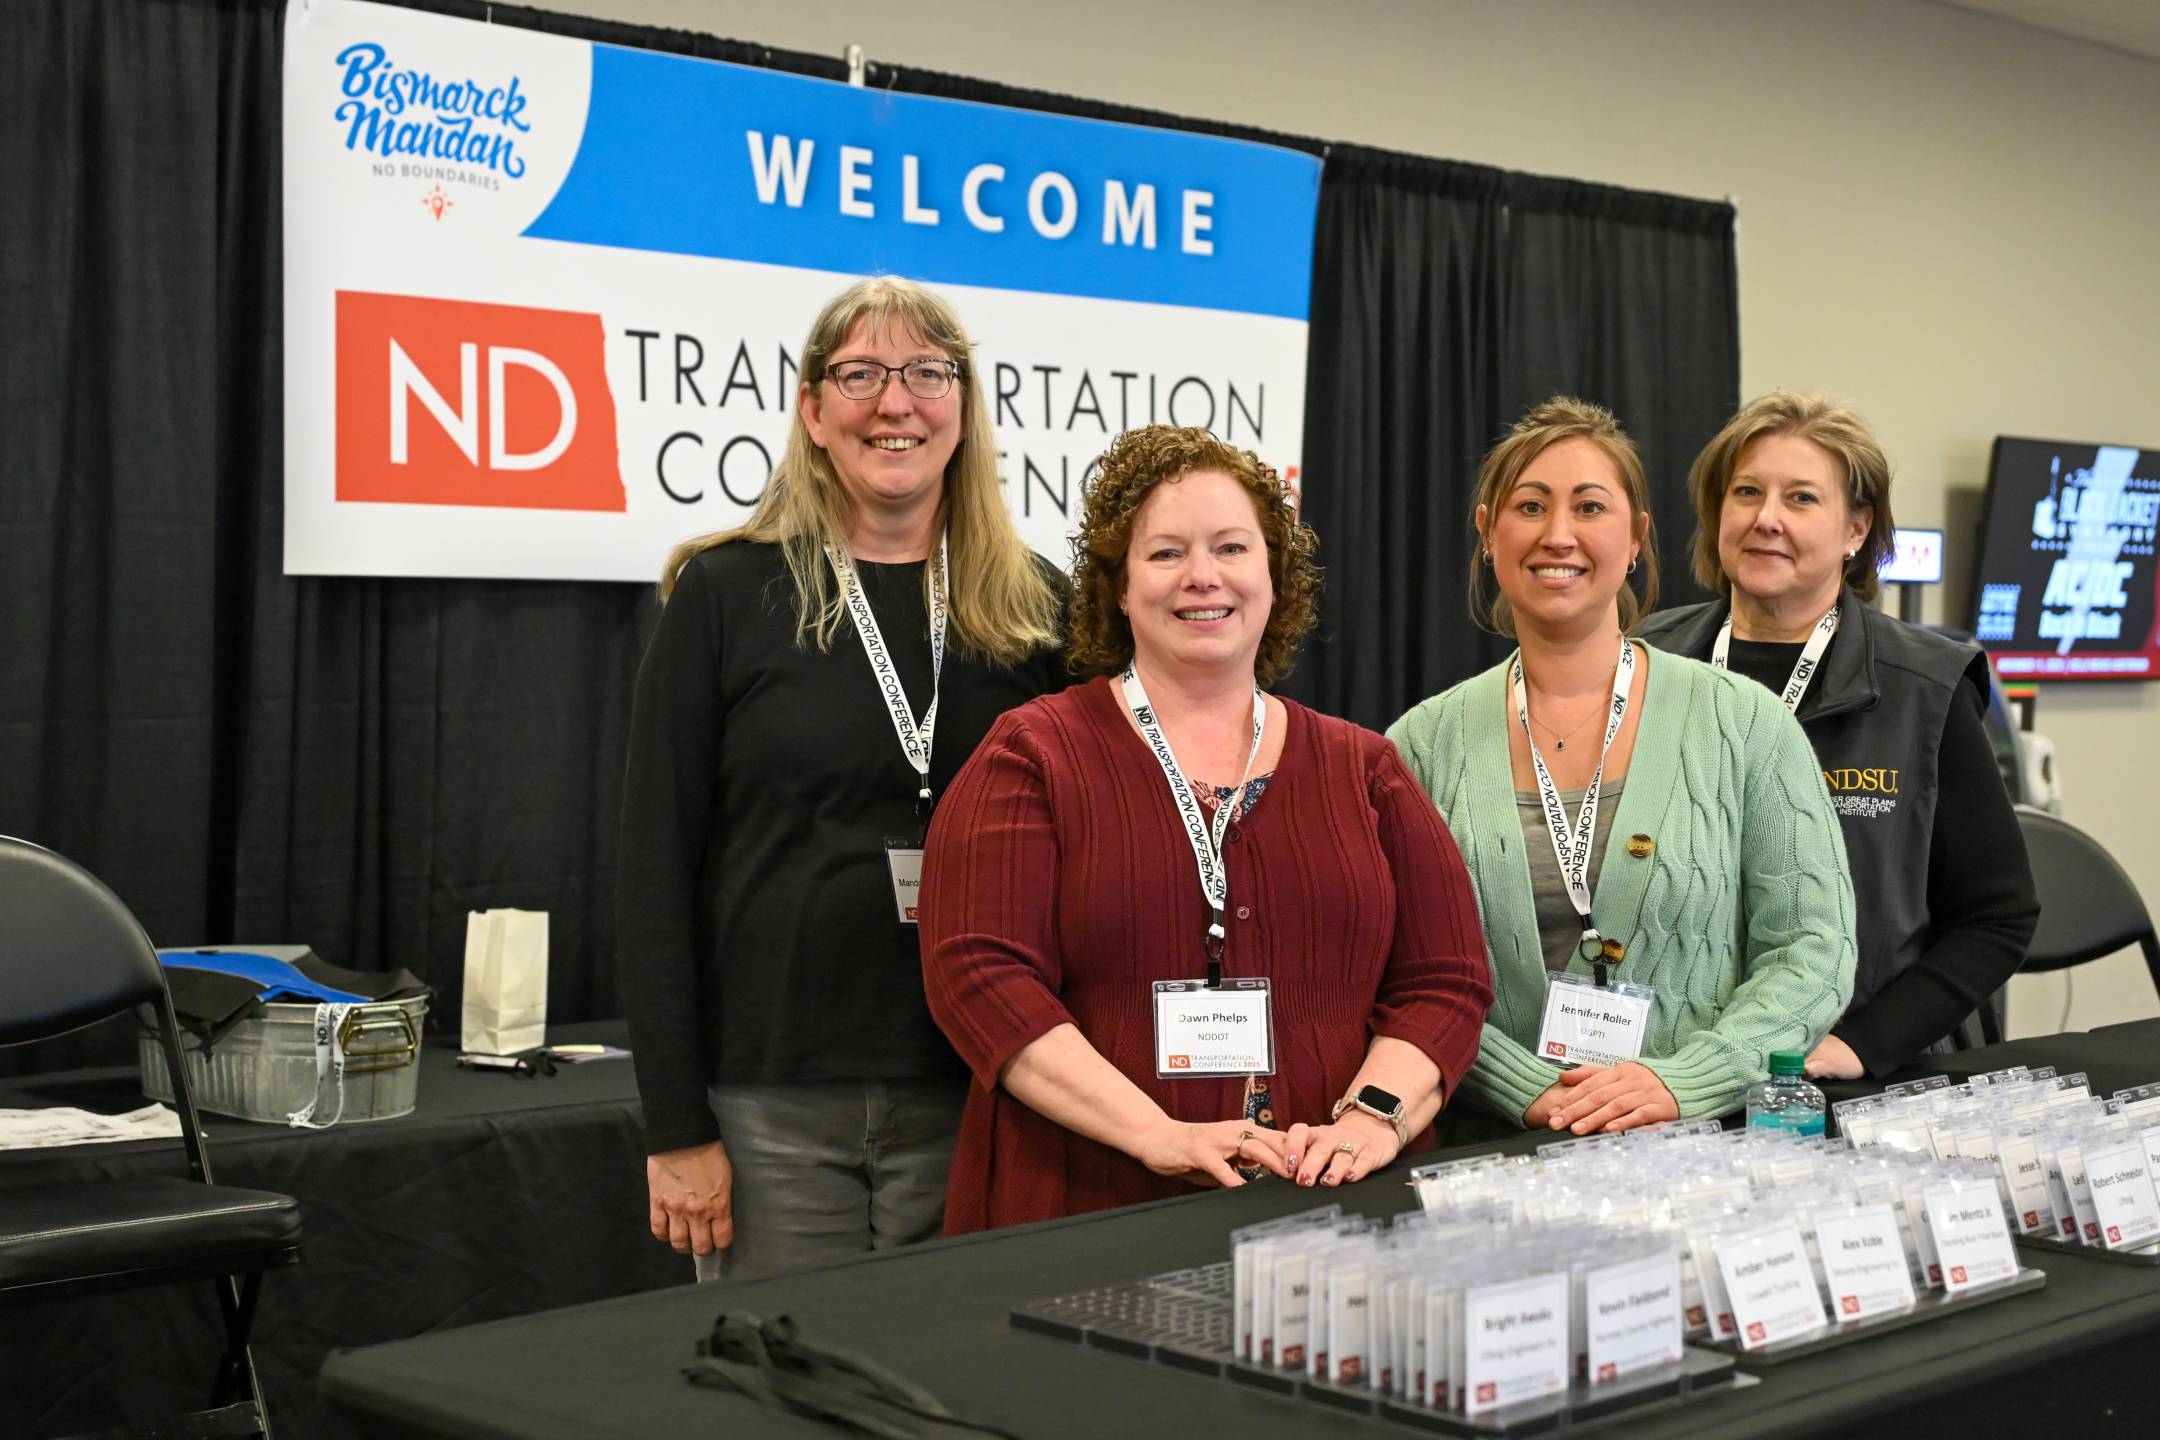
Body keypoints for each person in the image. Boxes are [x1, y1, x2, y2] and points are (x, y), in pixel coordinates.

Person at [918, 425, 1493, 1232]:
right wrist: (1155, 1134)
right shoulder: (1033, 754)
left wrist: (1372, 1118)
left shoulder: (1366, 769)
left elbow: (1446, 980)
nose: (1202, 577)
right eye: (1164, 554)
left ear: (1272, 574)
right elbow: (978, 977)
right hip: (1084, 1206)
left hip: (1330, 1211)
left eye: (1231, 548)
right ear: (1118, 587)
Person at [616, 276, 1067, 1277]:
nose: (893, 401)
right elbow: (654, 873)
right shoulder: (725, 594)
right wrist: (676, 1128)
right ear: (813, 412)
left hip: (988, 1085)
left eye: (924, 373)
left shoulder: (1041, 610)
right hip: (771, 1103)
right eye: (859, 374)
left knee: (955, 1391)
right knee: (781, 1392)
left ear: (963, 408)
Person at [1388, 397, 1855, 1136]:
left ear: (1636, 538)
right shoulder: (1420, 745)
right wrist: (1524, 1089)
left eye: (1590, 507)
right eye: (1530, 506)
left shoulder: (1745, 723)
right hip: (1494, 1149)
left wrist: (1684, 1082)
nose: (1559, 535)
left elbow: (1812, 949)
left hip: (1702, 1147)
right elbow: (1401, 974)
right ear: (1487, 533)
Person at [1636, 391, 2037, 1079]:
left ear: (1857, 529)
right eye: (1747, 492)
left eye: (1800, 499)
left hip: (1839, 1078)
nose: (1766, 519)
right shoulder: (1642, 664)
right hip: (1667, 1072)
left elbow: (1997, 917)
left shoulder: (1928, 689)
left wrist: (1863, 1044)